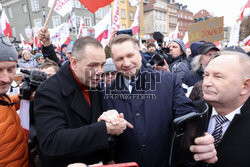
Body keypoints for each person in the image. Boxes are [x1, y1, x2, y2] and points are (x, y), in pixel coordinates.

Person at [101, 34, 217, 167]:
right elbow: (107, 143)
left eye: (130, 55)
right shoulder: (106, 94)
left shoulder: (168, 81)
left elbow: (187, 116)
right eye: (119, 59)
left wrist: (199, 138)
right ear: (113, 61)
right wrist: (107, 130)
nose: (126, 63)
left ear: (139, 53)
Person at [33, 34, 133, 167]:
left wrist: (109, 159)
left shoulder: (93, 85)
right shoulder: (48, 91)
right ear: (74, 63)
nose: (100, 71)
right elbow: (52, 143)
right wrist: (104, 129)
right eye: (93, 65)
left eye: (102, 65)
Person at [191, 51, 250, 167]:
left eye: (218, 77)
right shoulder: (192, 110)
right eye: (206, 75)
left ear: (245, 86)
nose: (206, 83)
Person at [0, 33, 29, 166]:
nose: (6, 79)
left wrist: (25, 95)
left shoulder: (2, 97)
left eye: (11, 69)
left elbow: (7, 103)